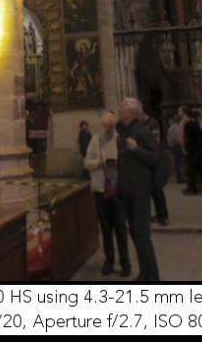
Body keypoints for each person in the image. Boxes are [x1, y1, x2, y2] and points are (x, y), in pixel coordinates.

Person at [116, 97, 161, 282]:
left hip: (139, 192)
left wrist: (136, 149)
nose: (119, 109)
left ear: (131, 112)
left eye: (123, 106)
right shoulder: (124, 131)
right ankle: (144, 274)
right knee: (135, 235)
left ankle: (153, 277)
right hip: (127, 190)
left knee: (142, 236)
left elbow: (156, 158)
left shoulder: (141, 131)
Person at [84, 111, 131, 278]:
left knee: (120, 228)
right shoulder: (95, 141)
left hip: (118, 189)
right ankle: (109, 260)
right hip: (100, 189)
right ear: (102, 126)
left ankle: (125, 263)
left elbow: (129, 163)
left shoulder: (120, 140)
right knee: (105, 228)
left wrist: (119, 164)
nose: (109, 129)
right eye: (106, 127)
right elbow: (86, 163)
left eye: (111, 127)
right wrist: (98, 163)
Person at [140, 110, 169, 227]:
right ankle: (159, 214)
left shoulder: (152, 123)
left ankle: (163, 216)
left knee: (157, 190)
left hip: (155, 160)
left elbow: (154, 139)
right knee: (153, 191)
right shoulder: (143, 124)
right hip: (149, 160)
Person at [182, 107, 202, 195]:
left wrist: (185, 148)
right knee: (201, 171)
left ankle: (191, 189)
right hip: (198, 149)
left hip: (192, 151)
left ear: (187, 116)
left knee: (190, 171)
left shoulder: (188, 125)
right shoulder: (196, 124)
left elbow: (187, 138)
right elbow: (201, 136)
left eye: (184, 116)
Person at [166, 112, 185, 183]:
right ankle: (180, 177)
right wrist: (182, 144)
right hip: (176, 146)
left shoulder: (173, 127)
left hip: (174, 146)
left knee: (178, 162)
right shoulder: (175, 127)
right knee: (179, 162)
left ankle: (180, 177)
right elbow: (177, 139)